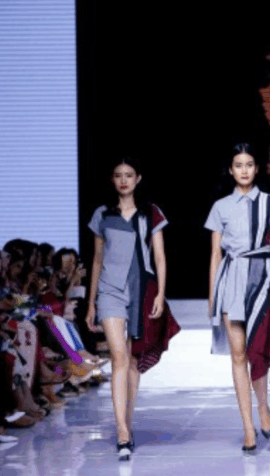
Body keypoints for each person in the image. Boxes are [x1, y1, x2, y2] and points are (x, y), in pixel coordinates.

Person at [206, 142, 270, 455]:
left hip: (263, 280)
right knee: (238, 356)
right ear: (231, 170)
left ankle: (263, 407)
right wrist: (212, 296)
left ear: (256, 169)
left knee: (258, 349)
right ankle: (248, 427)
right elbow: (215, 255)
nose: (244, 170)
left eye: (249, 164)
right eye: (238, 165)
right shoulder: (220, 207)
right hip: (231, 281)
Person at [85, 157, 171, 460]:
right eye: (118, 175)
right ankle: (121, 431)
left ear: (138, 179)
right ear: (112, 180)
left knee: (132, 361)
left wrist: (160, 293)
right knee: (119, 357)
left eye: (129, 175)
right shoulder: (102, 214)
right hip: (110, 289)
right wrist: (91, 302)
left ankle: (128, 425)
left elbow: (159, 257)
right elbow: (97, 260)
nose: (123, 180)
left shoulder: (150, 212)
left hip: (141, 289)